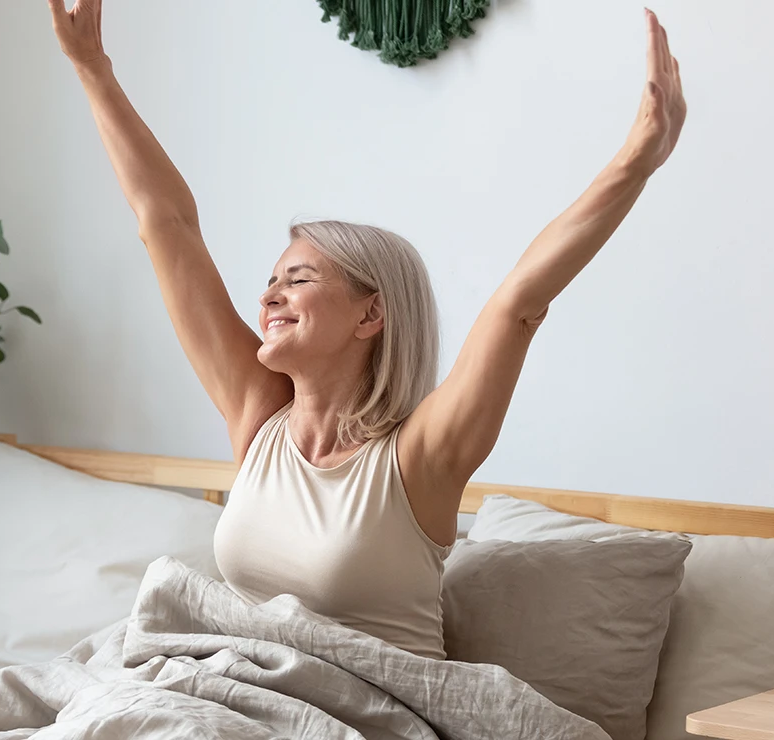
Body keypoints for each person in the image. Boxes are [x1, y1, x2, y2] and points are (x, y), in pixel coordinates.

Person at [47, 0, 686, 659]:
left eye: (298, 278)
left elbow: (518, 303)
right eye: (271, 280)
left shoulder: (419, 459)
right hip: (243, 695)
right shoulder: (257, 417)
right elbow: (168, 226)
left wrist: (635, 160)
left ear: (371, 314)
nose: (270, 295)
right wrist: (94, 70)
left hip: (370, 714)